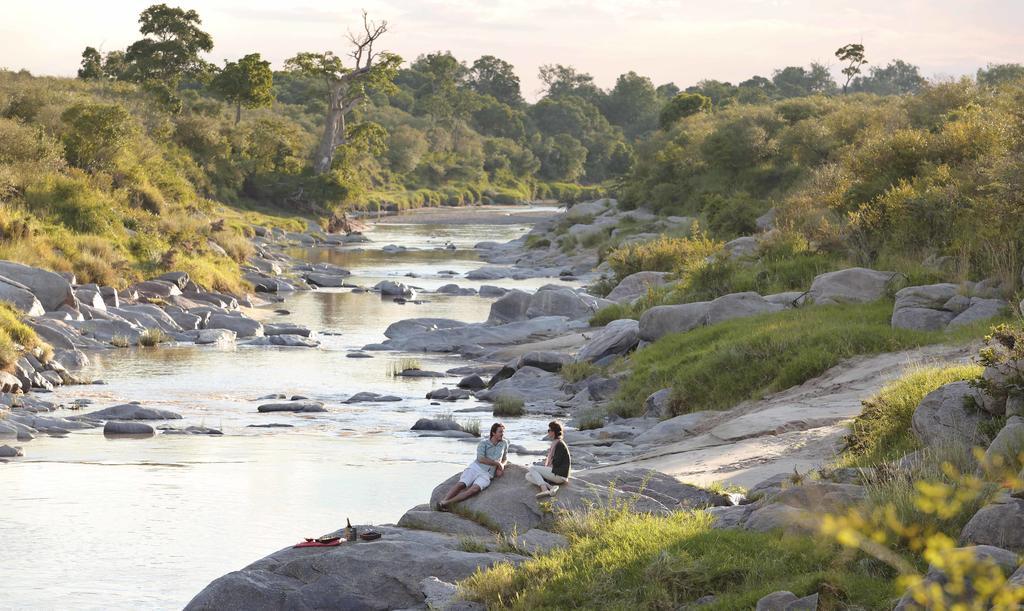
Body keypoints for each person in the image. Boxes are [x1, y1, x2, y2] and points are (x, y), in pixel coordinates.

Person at [438, 422, 508, 510]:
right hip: (476, 468)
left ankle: (446, 503)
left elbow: (505, 458)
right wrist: (497, 463)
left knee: (474, 490)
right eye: (500, 432)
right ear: (493, 433)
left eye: (503, 432)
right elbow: (481, 459)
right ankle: (443, 501)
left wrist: (502, 465)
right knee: (462, 484)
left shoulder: (504, 443)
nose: (502, 434)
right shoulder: (483, 443)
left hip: (487, 474)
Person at [526, 421, 570, 498]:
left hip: (560, 475)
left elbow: (557, 462)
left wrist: (545, 468)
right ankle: (551, 487)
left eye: (549, 430)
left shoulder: (559, 444)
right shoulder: (556, 442)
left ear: (554, 432)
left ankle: (544, 490)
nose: (548, 432)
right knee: (528, 476)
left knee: (532, 468)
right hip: (556, 473)